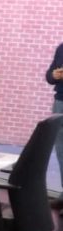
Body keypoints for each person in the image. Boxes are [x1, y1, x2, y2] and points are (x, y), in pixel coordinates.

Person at [47, 42, 63, 210]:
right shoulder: (61, 48)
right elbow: (49, 76)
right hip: (60, 102)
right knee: (61, 151)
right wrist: (54, 75)